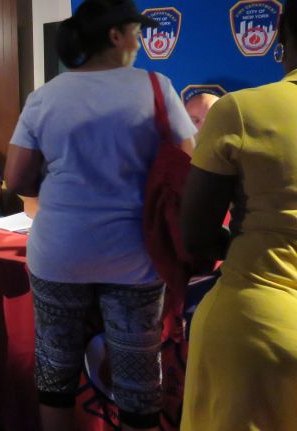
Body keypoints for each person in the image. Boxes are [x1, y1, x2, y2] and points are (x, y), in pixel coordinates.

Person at [4, 1, 195, 430]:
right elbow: (188, 165)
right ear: (115, 35)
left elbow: (16, 177)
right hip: (135, 259)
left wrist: (67, 186)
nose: (141, 41)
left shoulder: (46, 96)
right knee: (138, 378)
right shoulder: (155, 87)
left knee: (56, 370)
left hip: (59, 252)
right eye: (137, 32)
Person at [180, 1, 297, 429]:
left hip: (256, 326)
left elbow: (195, 235)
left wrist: (227, 244)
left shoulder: (240, 111)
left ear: (281, 37)